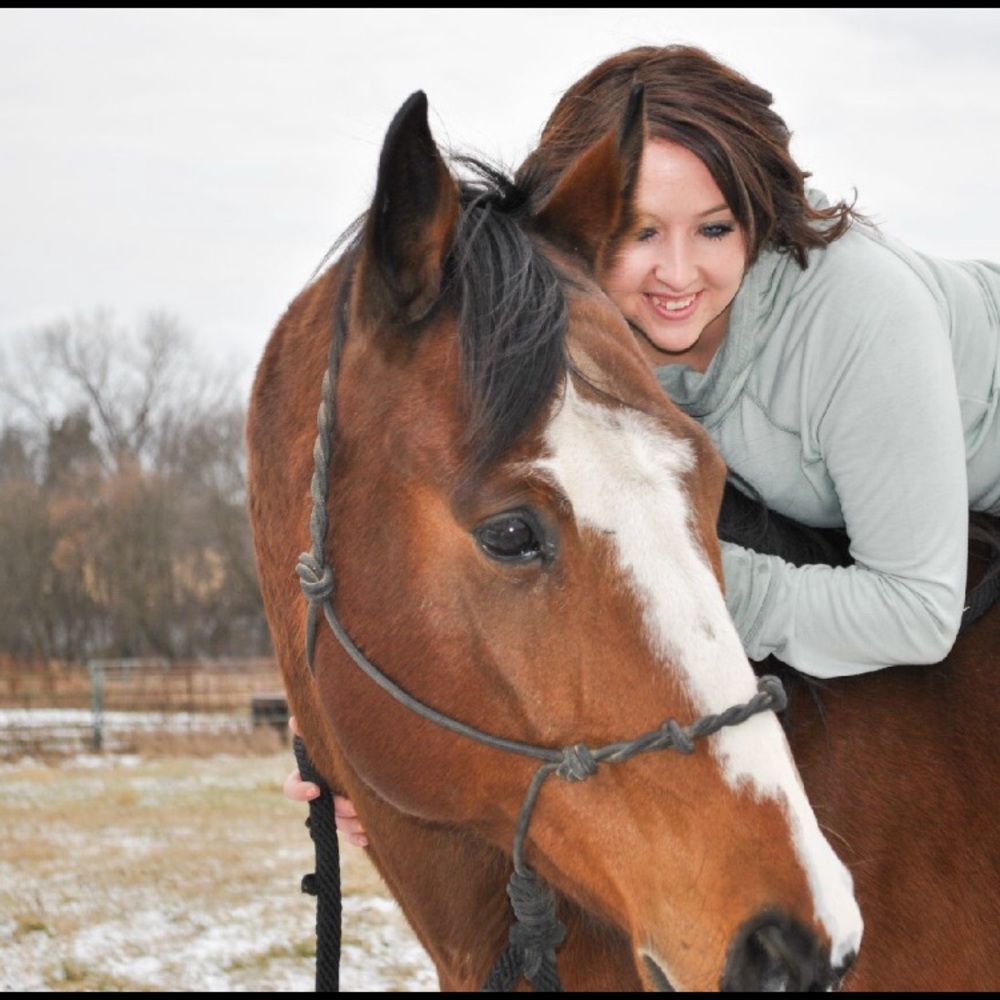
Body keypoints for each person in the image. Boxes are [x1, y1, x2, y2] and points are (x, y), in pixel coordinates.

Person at [285, 44, 1000, 839]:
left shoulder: (864, 318)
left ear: (756, 222)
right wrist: (389, 749)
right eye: (640, 232)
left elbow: (918, 610)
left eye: (715, 228)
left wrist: (697, 588)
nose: (677, 274)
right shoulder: (579, 323)